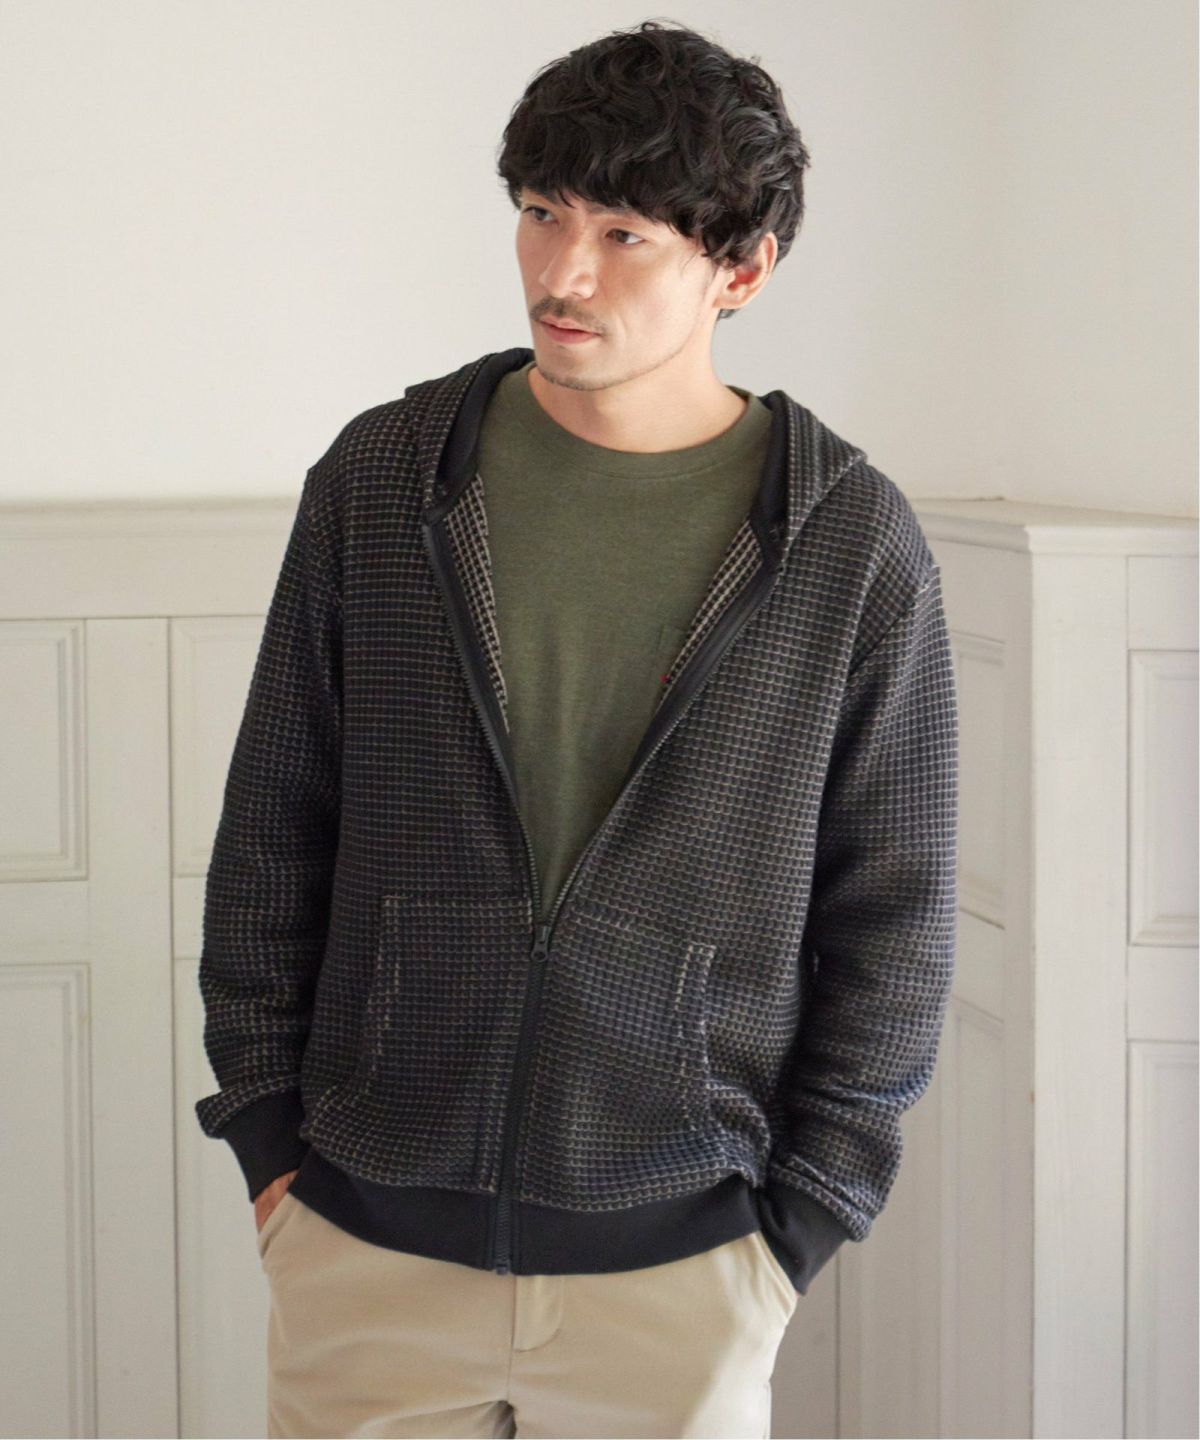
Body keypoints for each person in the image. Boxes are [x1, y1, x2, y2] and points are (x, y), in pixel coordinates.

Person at [195, 19, 958, 1439]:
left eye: (623, 236)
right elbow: (273, 825)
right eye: (543, 213)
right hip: (363, 1242)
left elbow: (894, 920)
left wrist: (796, 1227)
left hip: (682, 1270)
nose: (563, 272)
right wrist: (268, 1141)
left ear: (743, 269)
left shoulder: (847, 545)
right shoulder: (385, 479)